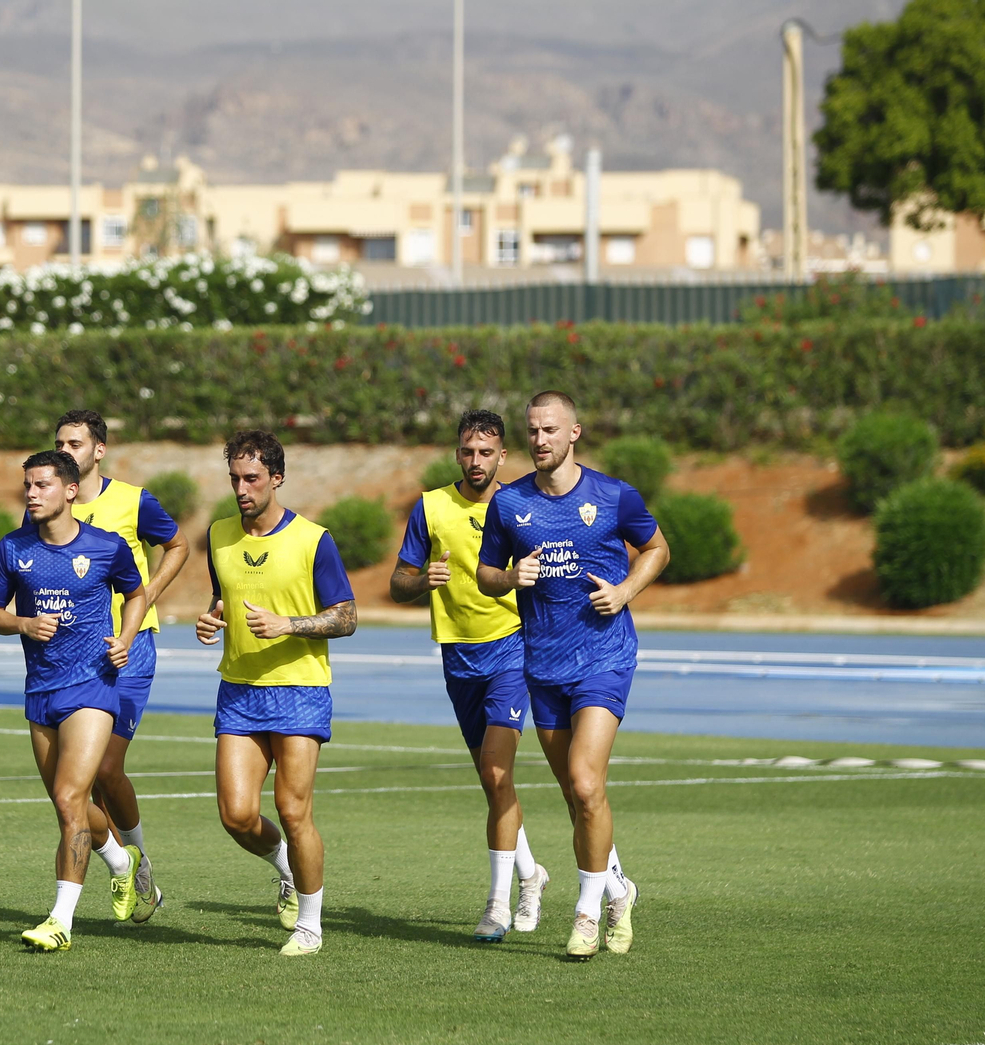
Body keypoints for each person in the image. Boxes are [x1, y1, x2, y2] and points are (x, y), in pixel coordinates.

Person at [477, 391, 669, 959]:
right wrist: (512, 579)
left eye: (551, 430)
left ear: (575, 433)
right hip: (543, 665)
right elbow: (487, 574)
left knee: (586, 781)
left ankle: (587, 913)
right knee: (574, 793)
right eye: (533, 431)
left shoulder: (612, 495)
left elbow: (657, 549)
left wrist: (626, 590)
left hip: (605, 658)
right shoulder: (509, 504)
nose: (540, 440)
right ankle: (618, 890)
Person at [389, 410, 548, 942]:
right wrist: (420, 582)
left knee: (498, 774)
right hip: (457, 657)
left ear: (503, 456)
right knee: (491, 778)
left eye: (486, 452)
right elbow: (397, 582)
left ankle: (498, 904)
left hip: (513, 650)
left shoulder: (522, 504)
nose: (475, 461)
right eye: (467, 452)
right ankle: (533, 874)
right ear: (457, 453)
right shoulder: (431, 506)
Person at [196, 430, 357, 957]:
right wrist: (211, 620)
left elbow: (346, 617)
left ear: (276, 479)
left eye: (252, 479)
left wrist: (289, 624)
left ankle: (310, 924)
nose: (242, 489)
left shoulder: (314, 539)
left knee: (292, 809)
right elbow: (224, 599)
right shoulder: (219, 535)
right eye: (235, 479)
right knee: (236, 815)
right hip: (239, 688)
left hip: (299, 689)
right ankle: (286, 867)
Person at [0, 449, 150, 953]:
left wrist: (126, 636)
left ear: (70, 490)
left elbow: (137, 594)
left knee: (68, 797)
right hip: (41, 690)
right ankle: (123, 862)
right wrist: (22, 624)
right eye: (27, 486)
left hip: (94, 687)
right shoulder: (13, 549)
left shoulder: (106, 547)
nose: (31, 494)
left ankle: (61, 921)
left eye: (42, 486)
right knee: (67, 804)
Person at [49, 409, 189, 921]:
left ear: (98, 450)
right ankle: (120, 863)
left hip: (128, 650)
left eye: (76, 444)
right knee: (76, 785)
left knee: (106, 768)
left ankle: (139, 862)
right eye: (60, 443)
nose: (66, 451)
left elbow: (178, 545)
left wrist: (147, 596)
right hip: (70, 655)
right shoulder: (44, 505)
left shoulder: (133, 501)